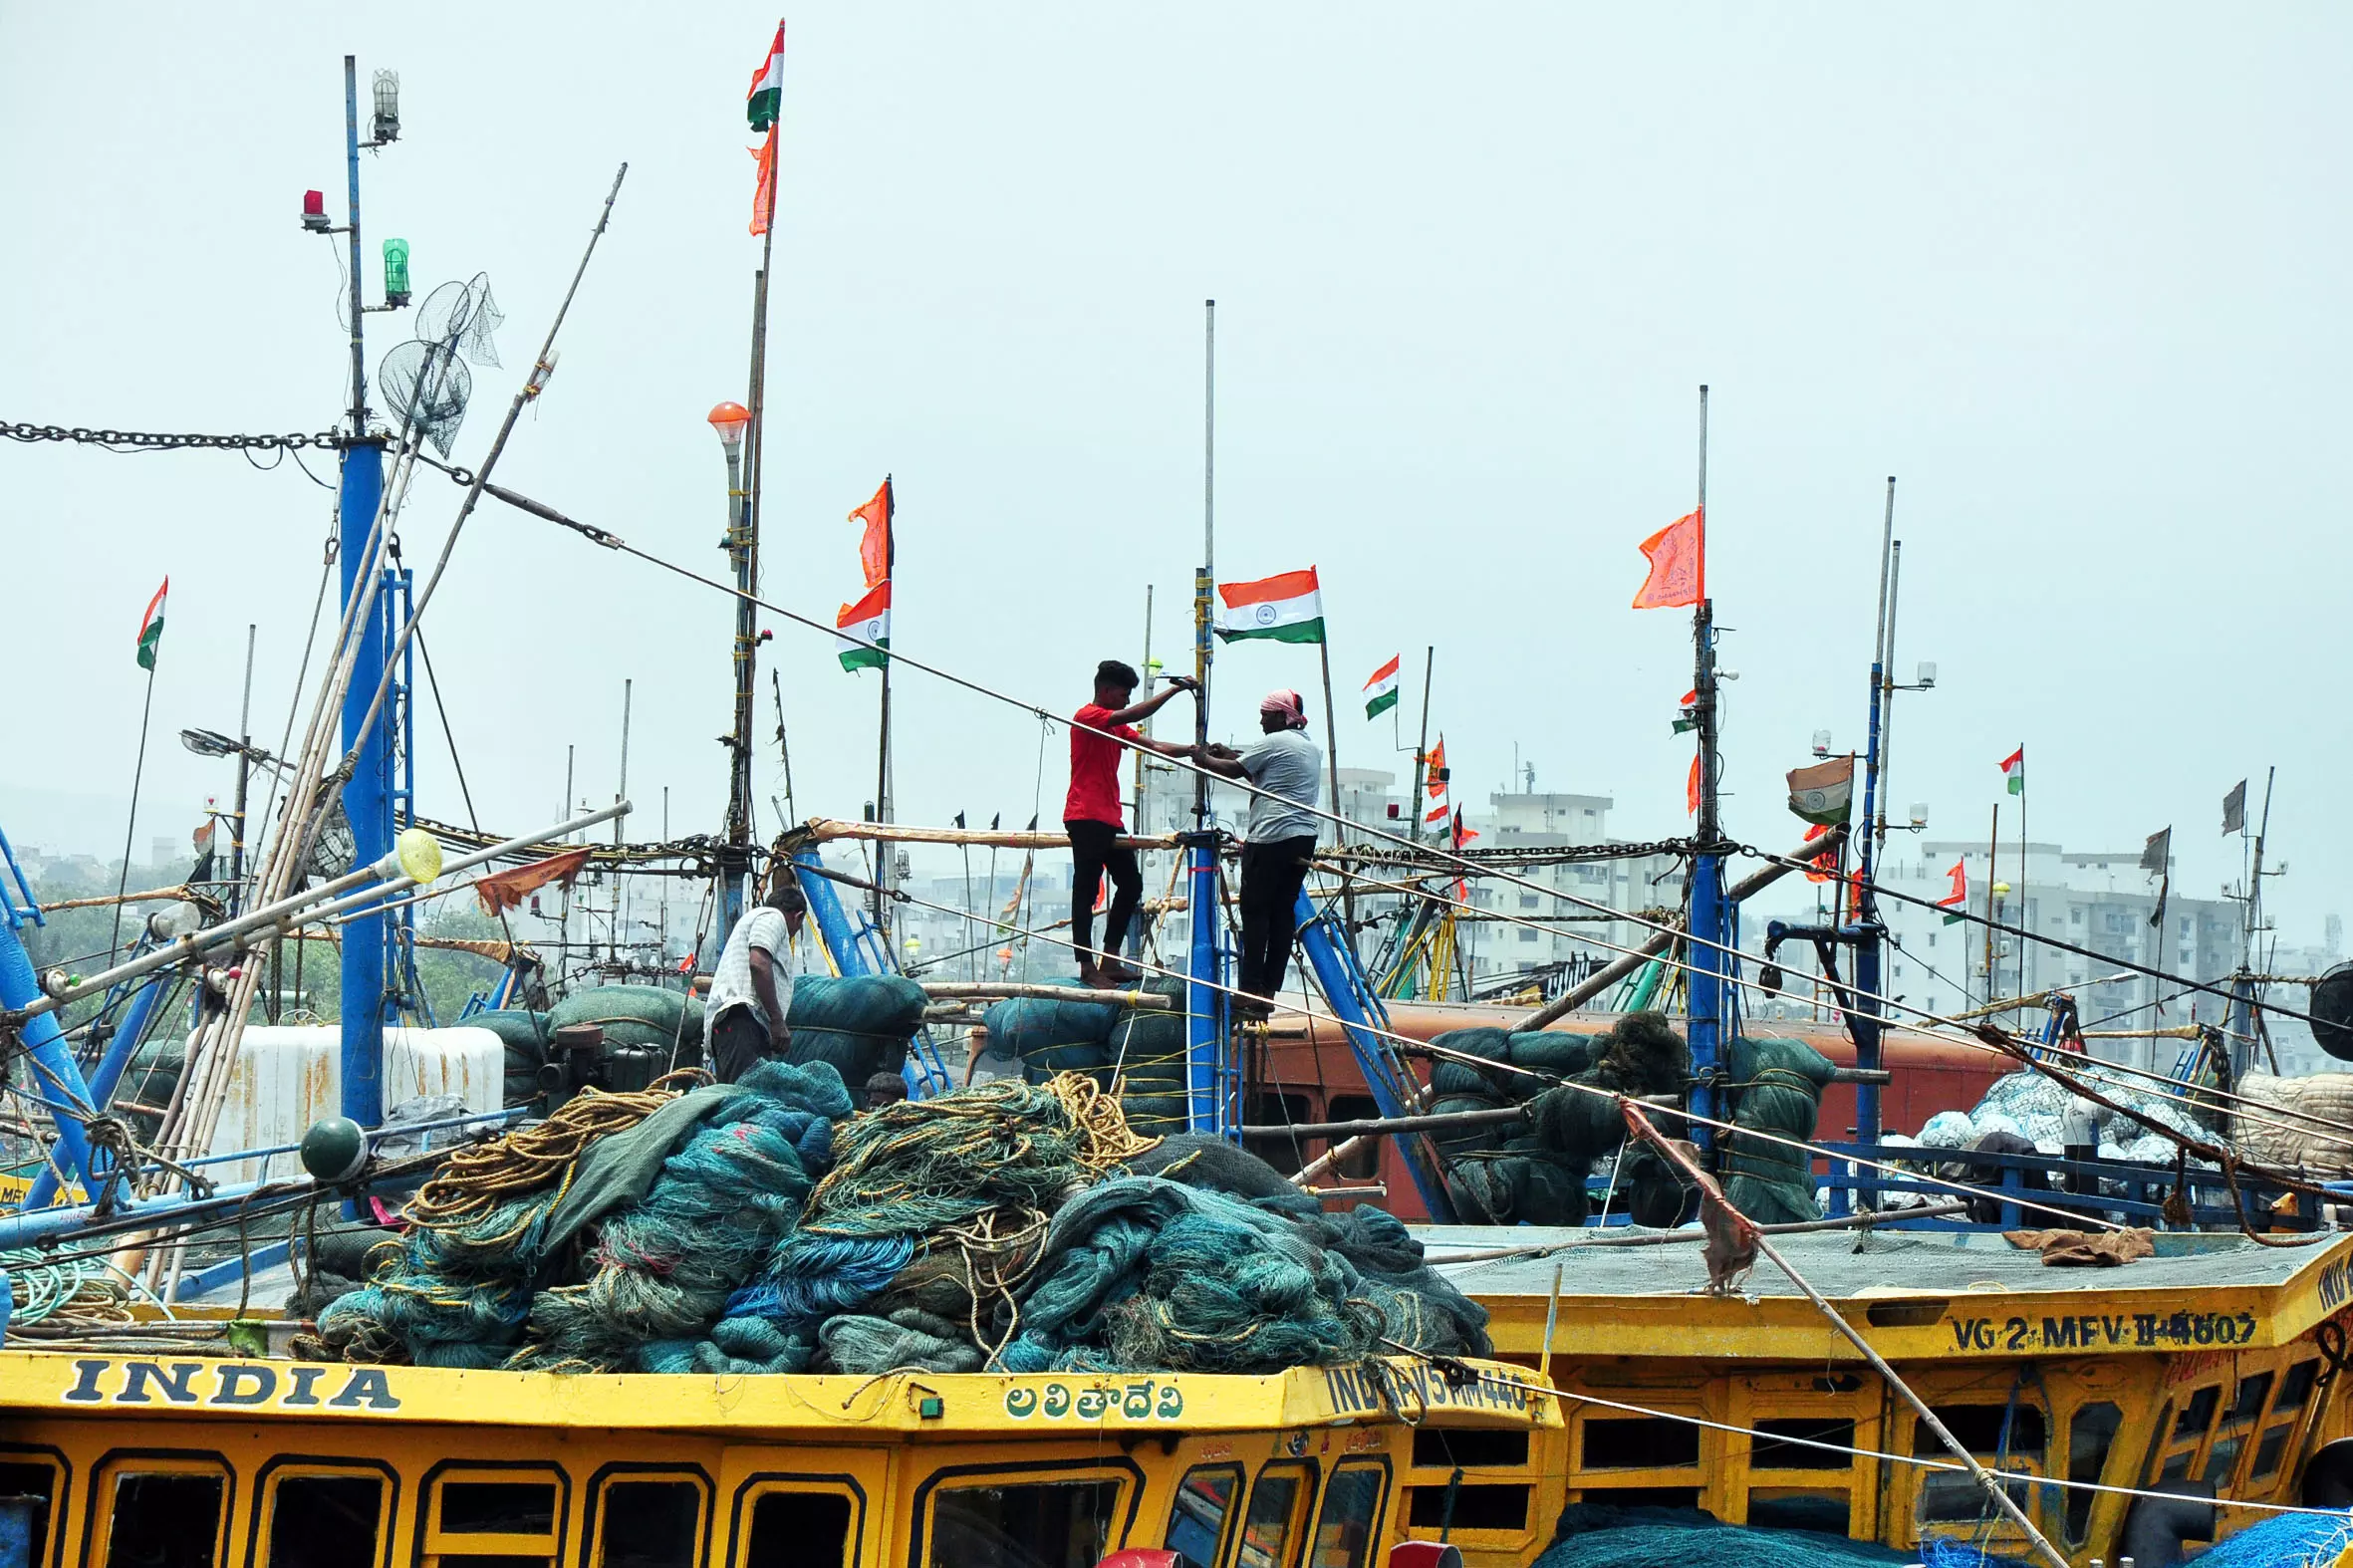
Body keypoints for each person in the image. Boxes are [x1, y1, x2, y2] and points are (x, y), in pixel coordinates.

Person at [1191, 689, 1323, 1018]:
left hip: (1271, 837)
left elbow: (1235, 771)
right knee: (1281, 916)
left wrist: (1202, 757)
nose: (1261, 720)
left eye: (1266, 714)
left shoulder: (1275, 741)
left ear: (1283, 716)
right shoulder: (1308, 746)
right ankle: (1267, 992)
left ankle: (1248, 989)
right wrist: (1230, 754)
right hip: (1303, 838)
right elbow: (1261, 769)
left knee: (1255, 913)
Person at [1068, 657, 1197, 986]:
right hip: (1085, 815)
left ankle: (1109, 959)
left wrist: (1195, 750)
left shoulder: (1114, 725)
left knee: (1130, 884)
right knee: (1085, 891)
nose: (1127, 699)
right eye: (1125, 693)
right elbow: (1135, 714)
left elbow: (1154, 745)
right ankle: (1086, 966)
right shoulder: (1089, 717)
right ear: (1107, 691)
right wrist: (1173, 691)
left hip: (1109, 817)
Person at [705, 881, 806, 1083]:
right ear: (798, 916)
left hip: (733, 1025)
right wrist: (777, 1021)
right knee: (745, 1099)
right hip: (743, 1021)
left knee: (735, 1099)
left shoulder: (755, 919)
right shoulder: (772, 918)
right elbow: (759, 964)